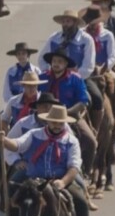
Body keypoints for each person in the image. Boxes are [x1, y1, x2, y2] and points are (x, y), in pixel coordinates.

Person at [0, 104, 94, 216]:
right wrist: (4, 140)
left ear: (64, 123)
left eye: (60, 123)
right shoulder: (34, 134)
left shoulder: (71, 140)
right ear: (47, 122)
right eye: (53, 122)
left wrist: (63, 182)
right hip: (34, 178)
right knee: (14, 197)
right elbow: (18, 145)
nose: (56, 126)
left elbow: (74, 166)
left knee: (80, 201)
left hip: (60, 179)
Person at [38, 49, 98, 179]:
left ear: (66, 64)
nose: (56, 64)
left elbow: (83, 101)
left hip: (70, 116)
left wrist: (66, 112)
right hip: (44, 117)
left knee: (91, 141)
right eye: (54, 61)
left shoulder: (75, 79)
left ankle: (86, 173)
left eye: (60, 61)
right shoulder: (42, 78)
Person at [79, 5, 115, 129]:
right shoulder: (82, 34)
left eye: (94, 21)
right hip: (86, 70)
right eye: (90, 21)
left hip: (104, 68)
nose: (92, 24)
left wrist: (104, 67)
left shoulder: (107, 35)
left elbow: (112, 56)